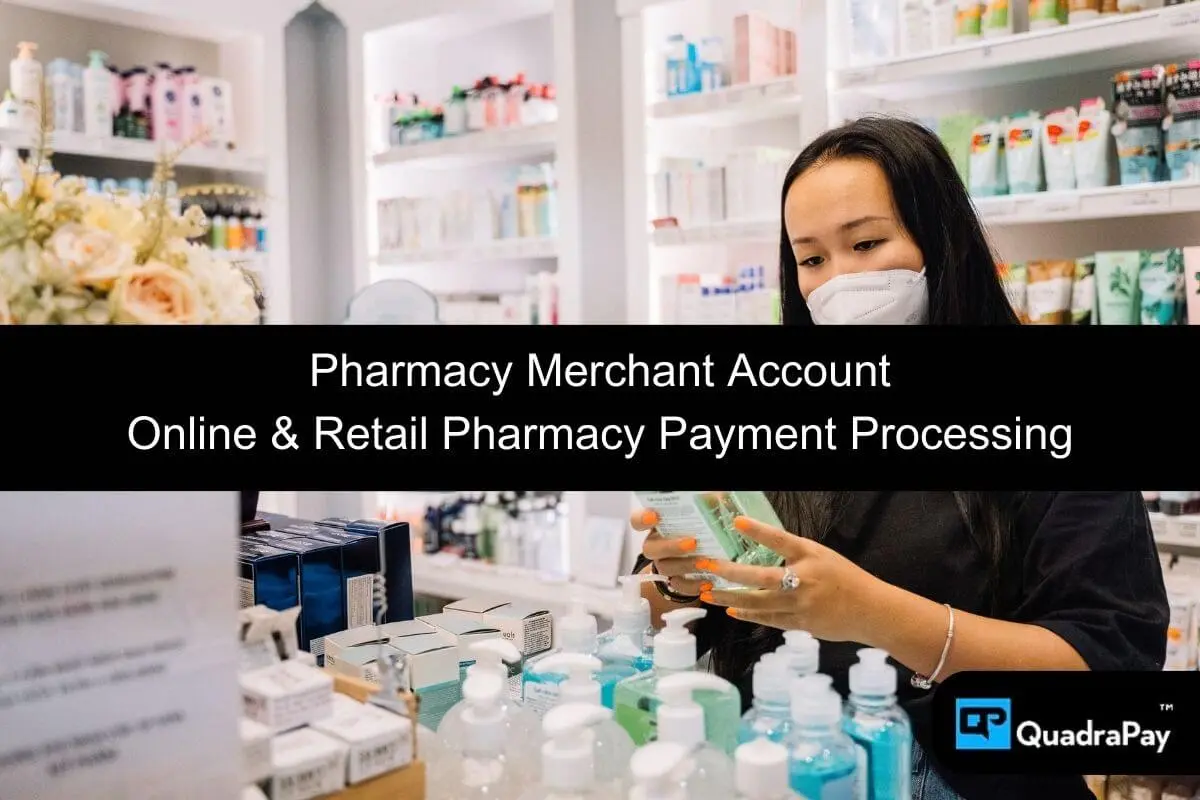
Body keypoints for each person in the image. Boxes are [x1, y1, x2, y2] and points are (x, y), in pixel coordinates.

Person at [631, 117, 1169, 800]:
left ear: (939, 242)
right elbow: (670, 610)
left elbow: (1110, 670)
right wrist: (682, 572)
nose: (839, 281)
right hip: (778, 763)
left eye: (866, 243)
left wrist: (875, 614)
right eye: (813, 260)